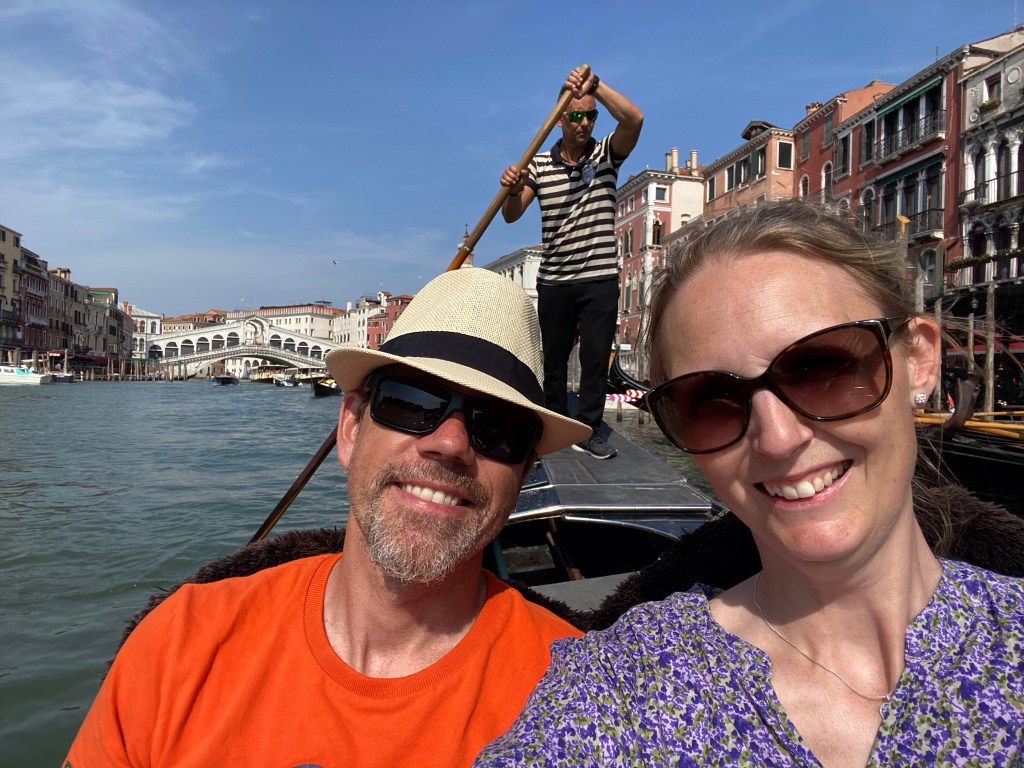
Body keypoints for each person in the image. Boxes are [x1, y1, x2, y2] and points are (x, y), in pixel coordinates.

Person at [475, 200, 1024, 767]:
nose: (778, 438)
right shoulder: (624, 691)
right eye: (712, 400)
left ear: (920, 362)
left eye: (822, 367)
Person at [64, 268, 592, 767]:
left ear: (524, 474)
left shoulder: (582, 702)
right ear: (350, 430)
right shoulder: (178, 644)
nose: (449, 444)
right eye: (412, 403)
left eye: (497, 429)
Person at [499, 66, 643, 460]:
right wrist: (512, 189)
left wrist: (595, 86)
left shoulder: (607, 154)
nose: (584, 124)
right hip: (556, 280)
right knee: (554, 362)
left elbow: (635, 118)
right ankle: (553, 425)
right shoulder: (540, 166)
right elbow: (512, 214)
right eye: (576, 116)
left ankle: (591, 430)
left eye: (591, 115)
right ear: (560, 119)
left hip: (599, 278)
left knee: (596, 360)